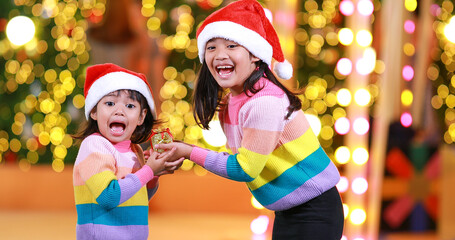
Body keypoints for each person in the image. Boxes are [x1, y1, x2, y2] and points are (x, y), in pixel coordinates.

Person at [154, 0, 344, 239]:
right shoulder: (232, 103)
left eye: (232, 45)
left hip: (314, 208)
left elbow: (244, 168)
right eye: (211, 47)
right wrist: (184, 151)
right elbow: (241, 158)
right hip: (288, 209)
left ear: (255, 55)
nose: (220, 55)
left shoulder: (264, 103)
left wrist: (189, 152)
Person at [72, 63, 183, 240]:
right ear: (94, 111)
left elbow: (137, 198)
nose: (119, 111)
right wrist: (148, 171)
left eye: (130, 106)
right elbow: (109, 197)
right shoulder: (94, 145)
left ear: (141, 117)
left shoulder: (135, 150)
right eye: (110, 103)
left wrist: (153, 176)